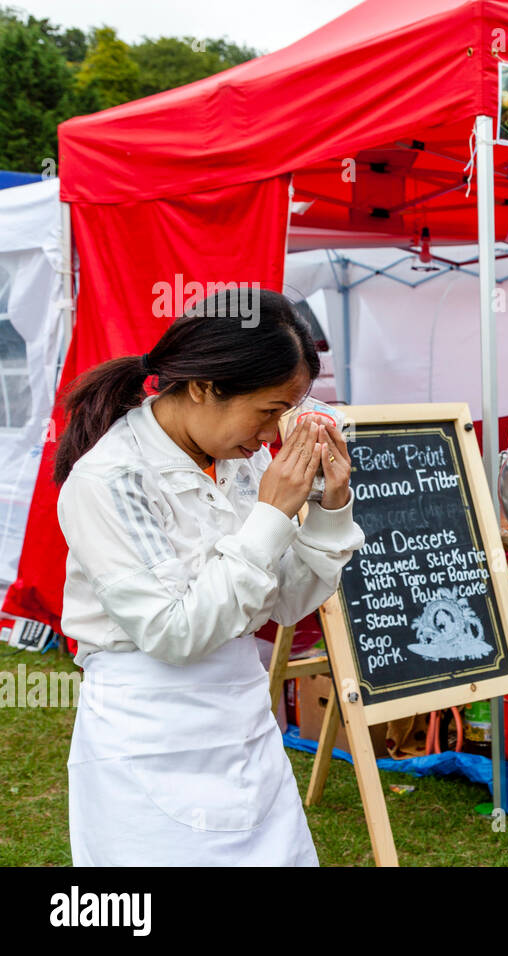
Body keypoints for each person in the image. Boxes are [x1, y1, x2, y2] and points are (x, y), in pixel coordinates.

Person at [57, 289, 364, 866]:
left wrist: (328, 506)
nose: (274, 434)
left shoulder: (238, 461)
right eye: (269, 410)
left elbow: (287, 601)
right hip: (149, 728)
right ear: (205, 387)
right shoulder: (112, 479)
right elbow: (173, 632)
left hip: (242, 712)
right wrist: (272, 517)